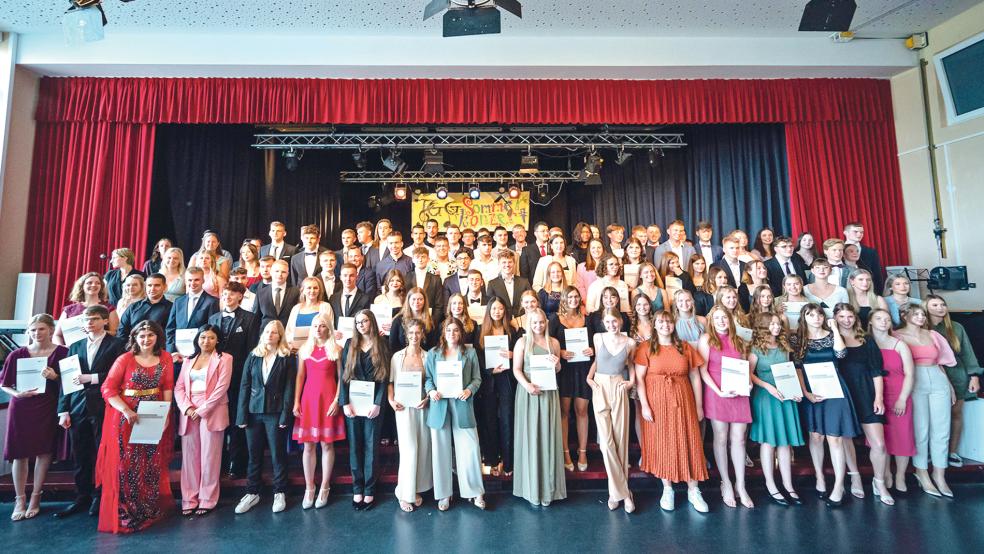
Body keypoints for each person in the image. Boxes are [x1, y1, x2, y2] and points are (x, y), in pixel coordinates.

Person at [94, 320, 174, 533]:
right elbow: (108, 389)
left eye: (150, 335)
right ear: (135, 338)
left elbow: (167, 386)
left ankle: (146, 508)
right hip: (127, 417)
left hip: (153, 413)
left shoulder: (165, 357)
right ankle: (126, 511)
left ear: (157, 337)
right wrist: (126, 411)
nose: (146, 340)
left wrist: (165, 412)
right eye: (142, 336)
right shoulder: (125, 359)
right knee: (126, 465)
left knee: (149, 462)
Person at [54, 306, 127, 519]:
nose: (89, 323)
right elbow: (68, 380)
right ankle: (82, 496)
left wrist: (92, 378)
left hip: (104, 405)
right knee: (80, 453)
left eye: (94, 319)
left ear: (105, 321)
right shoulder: (75, 346)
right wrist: (63, 410)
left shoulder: (117, 344)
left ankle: (100, 495)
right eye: (86, 320)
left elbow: (121, 375)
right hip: (77, 406)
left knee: (100, 453)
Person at [635, 310, 709, 513]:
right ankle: (667, 489)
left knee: (688, 440)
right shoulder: (645, 348)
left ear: (673, 325)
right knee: (663, 442)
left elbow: (695, 376)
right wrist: (645, 405)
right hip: (657, 401)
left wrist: (699, 404)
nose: (665, 325)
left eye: (668, 322)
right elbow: (639, 378)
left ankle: (693, 489)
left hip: (683, 400)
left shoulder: (684, 347)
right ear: (654, 325)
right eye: (661, 322)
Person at [790, 303, 859, 508]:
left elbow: (840, 354)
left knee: (835, 438)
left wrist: (835, 329)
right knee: (816, 436)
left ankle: (839, 485)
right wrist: (805, 392)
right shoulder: (797, 339)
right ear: (804, 318)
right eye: (811, 315)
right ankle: (820, 477)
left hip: (834, 388)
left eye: (819, 314)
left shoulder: (832, 335)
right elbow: (798, 368)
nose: (816, 318)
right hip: (812, 390)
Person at [1, 314, 68, 521]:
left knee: (44, 452)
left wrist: (55, 377)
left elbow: (72, 383)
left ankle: (36, 497)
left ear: (50, 330)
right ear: (28, 332)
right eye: (32, 330)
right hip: (21, 406)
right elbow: (4, 383)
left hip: (48, 405)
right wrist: (17, 394)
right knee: (19, 453)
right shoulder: (17, 354)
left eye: (41, 329)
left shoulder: (63, 353)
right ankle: (20, 498)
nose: (37, 333)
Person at [892, 303, 957, 498]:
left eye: (922, 314)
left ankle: (939, 474)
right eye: (916, 314)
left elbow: (942, 363)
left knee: (942, 429)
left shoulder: (933, 335)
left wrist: (950, 386)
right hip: (914, 380)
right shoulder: (897, 336)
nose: (921, 317)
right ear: (905, 315)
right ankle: (921, 472)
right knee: (921, 429)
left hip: (937, 379)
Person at [832, 303, 893, 505]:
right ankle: (855, 475)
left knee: (879, 443)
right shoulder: (832, 339)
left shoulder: (866, 339)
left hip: (867, 393)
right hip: (843, 395)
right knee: (846, 438)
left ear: (856, 319)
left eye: (850, 316)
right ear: (835, 318)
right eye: (842, 317)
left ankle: (879, 482)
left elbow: (876, 370)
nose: (846, 320)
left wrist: (879, 397)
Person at [425, 317, 486, 511]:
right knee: (441, 452)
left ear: (461, 333)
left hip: (462, 404)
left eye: (456, 330)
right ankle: (444, 494)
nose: (452, 334)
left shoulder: (470, 352)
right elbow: (427, 379)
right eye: (448, 330)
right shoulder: (434, 354)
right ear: (444, 333)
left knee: (470, 448)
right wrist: (431, 391)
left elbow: (477, 379)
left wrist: (469, 390)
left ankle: (475, 492)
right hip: (439, 405)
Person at [234, 321, 296, 514]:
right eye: (267, 331)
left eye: (274, 332)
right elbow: (244, 386)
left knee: (278, 454)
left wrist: (285, 415)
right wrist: (241, 415)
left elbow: (289, 389)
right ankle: (253, 492)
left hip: (275, 412)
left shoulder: (286, 357)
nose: (270, 335)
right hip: (253, 412)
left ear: (280, 336)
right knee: (254, 454)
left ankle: (280, 491)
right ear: (262, 334)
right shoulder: (253, 356)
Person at [173, 325, 233, 516]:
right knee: (189, 458)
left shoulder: (225, 358)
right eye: (203, 337)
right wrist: (188, 408)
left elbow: (222, 387)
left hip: (212, 409)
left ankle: (207, 499)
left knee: (210, 456)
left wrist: (202, 409)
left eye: (211, 338)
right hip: (189, 410)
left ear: (217, 340)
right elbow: (179, 387)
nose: (206, 341)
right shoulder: (189, 360)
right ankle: (189, 499)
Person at [698, 306, 753, 509]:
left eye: (724, 318)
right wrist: (718, 391)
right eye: (717, 318)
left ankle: (741, 484)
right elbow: (702, 371)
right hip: (716, 392)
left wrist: (748, 383)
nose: (721, 321)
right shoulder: (706, 340)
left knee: (738, 439)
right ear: (712, 321)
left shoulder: (739, 341)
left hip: (738, 393)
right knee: (720, 438)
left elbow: (745, 367)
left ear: (730, 320)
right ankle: (726, 483)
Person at [748, 313, 804, 506]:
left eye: (778, 324)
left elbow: (790, 370)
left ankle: (788, 485)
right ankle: (771, 485)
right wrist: (767, 386)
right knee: (769, 442)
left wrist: (795, 390)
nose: (777, 327)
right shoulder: (756, 347)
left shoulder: (784, 346)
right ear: (763, 326)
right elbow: (750, 374)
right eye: (772, 324)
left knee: (785, 442)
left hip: (785, 396)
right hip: (766, 396)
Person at [512, 308, 566, 507]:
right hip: (529, 395)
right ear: (529, 323)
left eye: (541, 322)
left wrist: (558, 363)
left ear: (546, 322)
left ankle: (549, 489)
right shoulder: (521, 343)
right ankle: (532, 489)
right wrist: (527, 386)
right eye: (535, 322)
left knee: (548, 438)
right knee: (531, 439)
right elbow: (516, 369)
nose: (538, 326)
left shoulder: (554, 343)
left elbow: (558, 369)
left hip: (549, 394)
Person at [206, 281, 260, 479]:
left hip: (239, 377)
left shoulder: (251, 318)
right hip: (215, 378)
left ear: (240, 296)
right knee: (218, 421)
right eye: (224, 294)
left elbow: (252, 350)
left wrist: (247, 377)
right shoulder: (213, 318)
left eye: (231, 294)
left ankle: (237, 465)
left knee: (238, 420)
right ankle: (217, 464)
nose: (227, 297)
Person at [338, 311, 390, 511]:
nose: (361, 325)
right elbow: (343, 375)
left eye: (365, 321)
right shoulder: (350, 343)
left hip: (373, 405)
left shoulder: (382, 344)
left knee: (371, 446)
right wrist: (344, 402)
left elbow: (385, 377)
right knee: (355, 447)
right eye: (358, 322)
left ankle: (369, 490)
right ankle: (356, 488)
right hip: (352, 403)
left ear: (372, 322)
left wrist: (378, 403)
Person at [292, 314, 345, 510]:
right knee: (308, 447)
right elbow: (300, 376)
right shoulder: (304, 350)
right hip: (309, 400)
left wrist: (337, 400)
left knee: (327, 445)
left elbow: (342, 377)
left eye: (322, 326)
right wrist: (296, 401)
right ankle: (309, 487)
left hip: (328, 400)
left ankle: (325, 486)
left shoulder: (337, 349)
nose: (318, 329)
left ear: (328, 328)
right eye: (315, 326)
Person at [586, 310, 636, 513]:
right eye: (608, 321)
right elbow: (597, 362)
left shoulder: (630, 342)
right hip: (600, 386)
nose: (611, 324)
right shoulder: (598, 338)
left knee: (620, 442)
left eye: (614, 321)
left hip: (618, 385)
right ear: (603, 323)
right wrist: (589, 379)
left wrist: (631, 381)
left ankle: (615, 493)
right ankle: (624, 493)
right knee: (606, 444)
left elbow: (630, 364)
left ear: (620, 321)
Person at [925, 294, 982, 466]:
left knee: (956, 414)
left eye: (942, 304)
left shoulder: (956, 327)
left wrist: (974, 376)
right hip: (933, 374)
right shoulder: (921, 327)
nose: (940, 308)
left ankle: (953, 451)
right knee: (932, 417)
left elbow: (967, 352)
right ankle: (931, 452)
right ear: (925, 308)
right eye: (934, 305)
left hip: (957, 374)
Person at [869, 309, 916, 493]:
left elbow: (910, 374)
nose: (883, 322)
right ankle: (885, 473)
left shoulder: (899, 344)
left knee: (902, 435)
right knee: (882, 438)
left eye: (887, 319)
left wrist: (902, 399)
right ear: (871, 322)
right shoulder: (867, 343)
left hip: (898, 393)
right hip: (875, 395)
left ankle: (900, 475)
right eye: (879, 318)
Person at [389, 318, 433, 512]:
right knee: (409, 450)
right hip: (403, 409)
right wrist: (391, 400)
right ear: (406, 335)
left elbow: (432, 381)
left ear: (422, 334)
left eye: (418, 333)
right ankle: (404, 493)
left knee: (422, 448)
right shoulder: (397, 357)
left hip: (422, 407)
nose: (414, 336)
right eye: (411, 333)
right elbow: (390, 382)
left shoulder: (428, 356)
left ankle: (415, 488)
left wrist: (428, 399)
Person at [549, 286, 593, 472]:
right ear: (564, 300)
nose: (573, 300)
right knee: (564, 412)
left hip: (583, 369)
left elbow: (594, 342)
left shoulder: (588, 319)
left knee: (582, 410)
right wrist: (561, 351)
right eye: (570, 297)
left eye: (576, 296)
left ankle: (582, 452)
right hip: (564, 370)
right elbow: (547, 344)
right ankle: (566, 452)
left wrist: (592, 350)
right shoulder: (555, 320)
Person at [475, 298, 517, 477]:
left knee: (507, 420)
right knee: (489, 421)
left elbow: (520, 354)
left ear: (505, 311)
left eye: (500, 308)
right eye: (494, 308)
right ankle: (492, 460)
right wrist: (490, 370)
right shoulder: (480, 331)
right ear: (489, 311)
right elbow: (476, 357)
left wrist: (512, 354)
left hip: (507, 379)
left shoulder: (512, 331)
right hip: (488, 381)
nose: (497, 311)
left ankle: (508, 462)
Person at [165, 267, 220, 362]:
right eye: (190, 280)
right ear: (185, 281)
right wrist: (172, 351)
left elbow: (212, 330)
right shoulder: (178, 301)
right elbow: (170, 328)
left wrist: (202, 352)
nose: (193, 283)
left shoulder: (212, 302)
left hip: (200, 354)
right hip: (177, 355)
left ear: (203, 280)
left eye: (196, 280)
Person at [54, 272, 120, 344]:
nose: (94, 285)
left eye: (98, 283)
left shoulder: (109, 308)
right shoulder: (69, 310)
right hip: (72, 351)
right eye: (89, 283)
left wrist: (96, 331)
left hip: (101, 349)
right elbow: (57, 335)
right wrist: (63, 349)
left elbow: (115, 333)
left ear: (101, 287)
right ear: (82, 286)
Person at [284, 276, 334, 349]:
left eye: (315, 288)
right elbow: (288, 332)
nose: (312, 291)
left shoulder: (325, 306)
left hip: (319, 350)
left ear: (319, 290)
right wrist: (290, 346)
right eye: (309, 288)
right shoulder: (296, 308)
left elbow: (330, 330)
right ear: (303, 290)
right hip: (296, 351)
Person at [257, 260, 299, 330]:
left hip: (288, 333)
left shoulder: (295, 291)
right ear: (271, 272)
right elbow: (256, 318)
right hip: (266, 334)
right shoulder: (261, 292)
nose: (280, 274)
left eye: (283, 272)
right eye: (277, 271)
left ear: (288, 274)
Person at [487, 249, 531, 317]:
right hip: (502, 321)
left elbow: (530, 302)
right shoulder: (492, 284)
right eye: (504, 262)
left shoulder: (524, 282)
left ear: (514, 263)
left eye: (510, 262)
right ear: (499, 264)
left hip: (521, 320)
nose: (507, 265)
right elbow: (490, 307)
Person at [844, 222, 884, 294]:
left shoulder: (870, 252)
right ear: (846, 233)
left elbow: (877, 275)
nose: (859, 234)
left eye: (861, 232)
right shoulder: (838, 250)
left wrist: (879, 294)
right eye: (855, 232)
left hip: (867, 292)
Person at [405, 246, 446, 316]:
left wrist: (433, 322)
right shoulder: (406, 278)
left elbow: (439, 304)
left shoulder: (436, 279)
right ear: (413, 259)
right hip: (410, 318)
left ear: (428, 259)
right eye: (417, 257)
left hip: (430, 319)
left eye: (423, 257)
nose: (420, 260)